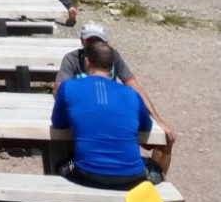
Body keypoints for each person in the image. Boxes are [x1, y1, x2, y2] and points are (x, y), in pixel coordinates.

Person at [55, 22, 177, 176]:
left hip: (110, 113)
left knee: (165, 140)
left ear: (105, 45)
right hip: (90, 116)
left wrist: (158, 120)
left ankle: (152, 190)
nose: (93, 46)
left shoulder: (112, 57)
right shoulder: (72, 59)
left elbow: (135, 86)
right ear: (82, 42)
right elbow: (58, 89)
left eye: (98, 42)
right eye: (89, 42)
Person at [50, 37, 160, 190]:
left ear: (87, 62)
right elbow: (146, 127)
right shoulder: (131, 94)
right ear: (112, 66)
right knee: (156, 169)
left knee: (61, 161)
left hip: (86, 174)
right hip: (131, 177)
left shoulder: (68, 87)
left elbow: (58, 123)